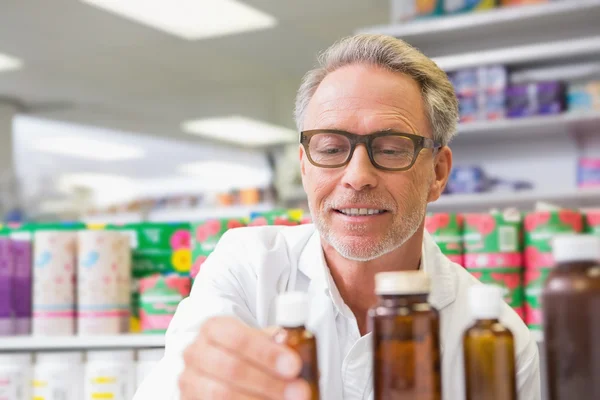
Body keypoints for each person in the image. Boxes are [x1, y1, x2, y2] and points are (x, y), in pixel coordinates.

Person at [134, 34, 540, 400]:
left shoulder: (496, 333)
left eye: (392, 148)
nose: (358, 177)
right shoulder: (247, 268)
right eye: (330, 149)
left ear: (438, 173)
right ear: (305, 166)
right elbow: (177, 380)